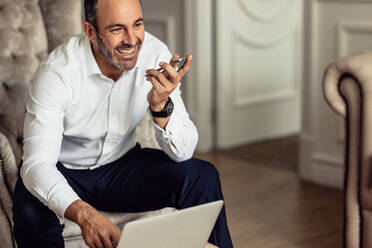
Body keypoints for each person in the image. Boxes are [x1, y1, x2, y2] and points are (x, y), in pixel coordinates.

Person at [12, 0, 233, 247]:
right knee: (29, 213)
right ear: (91, 32)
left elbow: (184, 153)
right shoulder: (57, 73)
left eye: (137, 24)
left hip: (121, 167)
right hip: (63, 168)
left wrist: (161, 107)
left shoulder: (154, 54)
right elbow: (37, 165)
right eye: (117, 29)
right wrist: (84, 213)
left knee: (202, 176)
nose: (132, 39)